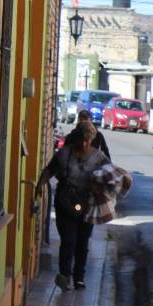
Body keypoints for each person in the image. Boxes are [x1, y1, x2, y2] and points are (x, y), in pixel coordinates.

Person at [38, 123, 110, 291]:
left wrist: (103, 187)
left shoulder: (98, 157)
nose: (84, 144)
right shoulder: (64, 154)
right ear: (76, 138)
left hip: (88, 205)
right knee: (68, 240)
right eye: (82, 140)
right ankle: (64, 276)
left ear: (92, 141)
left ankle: (79, 278)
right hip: (65, 203)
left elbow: (110, 174)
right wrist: (40, 185)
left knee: (82, 243)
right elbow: (49, 170)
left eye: (88, 141)